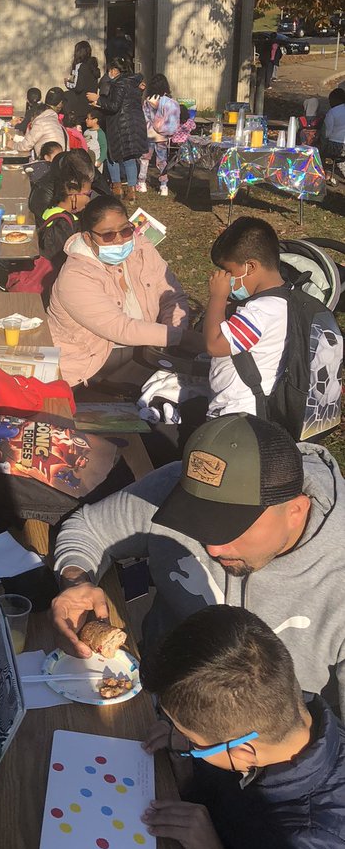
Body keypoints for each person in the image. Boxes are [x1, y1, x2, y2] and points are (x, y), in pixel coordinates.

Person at [49, 412, 345, 712]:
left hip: (267, 750)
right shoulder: (181, 487)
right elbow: (89, 528)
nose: (213, 548)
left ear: (295, 510)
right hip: (152, 694)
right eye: (198, 521)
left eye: (231, 528)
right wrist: (76, 579)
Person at [140, 606, 345, 849]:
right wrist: (184, 754)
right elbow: (227, 788)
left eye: (192, 738)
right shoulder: (282, 719)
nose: (179, 734)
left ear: (243, 751)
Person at [46, 194, 196, 387]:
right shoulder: (75, 276)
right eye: (108, 235)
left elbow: (171, 295)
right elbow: (119, 328)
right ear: (88, 238)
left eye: (125, 231)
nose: (119, 240)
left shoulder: (142, 248)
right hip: (92, 363)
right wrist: (179, 338)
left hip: (146, 345)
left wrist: (175, 331)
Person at [203, 217, 287, 422]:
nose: (225, 277)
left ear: (251, 267)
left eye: (229, 271)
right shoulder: (285, 298)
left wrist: (218, 297)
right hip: (252, 407)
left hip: (239, 412)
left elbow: (214, 345)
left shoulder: (260, 312)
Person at [93, 57, 148, 198]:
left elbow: (114, 105)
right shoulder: (135, 82)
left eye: (111, 69)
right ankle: (132, 190)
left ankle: (117, 188)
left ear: (115, 70)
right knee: (129, 158)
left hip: (119, 125)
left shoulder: (119, 84)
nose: (109, 72)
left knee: (113, 157)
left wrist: (98, 100)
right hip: (134, 123)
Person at [35, 153, 94, 278]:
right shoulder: (65, 223)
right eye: (88, 194)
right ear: (73, 196)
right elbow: (65, 260)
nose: (89, 199)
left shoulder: (49, 211)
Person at [138, 74, 180, 196]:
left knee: (145, 159)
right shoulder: (169, 102)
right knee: (162, 161)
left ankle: (142, 183)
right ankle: (164, 186)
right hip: (163, 137)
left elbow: (145, 118)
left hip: (149, 135)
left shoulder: (147, 101)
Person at [13, 87, 68, 156]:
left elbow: (26, 146)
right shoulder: (59, 124)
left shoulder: (41, 123)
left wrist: (12, 145)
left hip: (49, 162)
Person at [62, 41, 101, 129]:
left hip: (80, 105)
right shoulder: (93, 66)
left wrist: (67, 83)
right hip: (90, 104)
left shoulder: (80, 66)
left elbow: (78, 87)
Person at [321, 88, 345, 183]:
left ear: (336, 100)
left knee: (319, 148)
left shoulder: (333, 112)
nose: (330, 103)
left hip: (336, 145)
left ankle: (323, 172)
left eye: (330, 101)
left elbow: (327, 133)